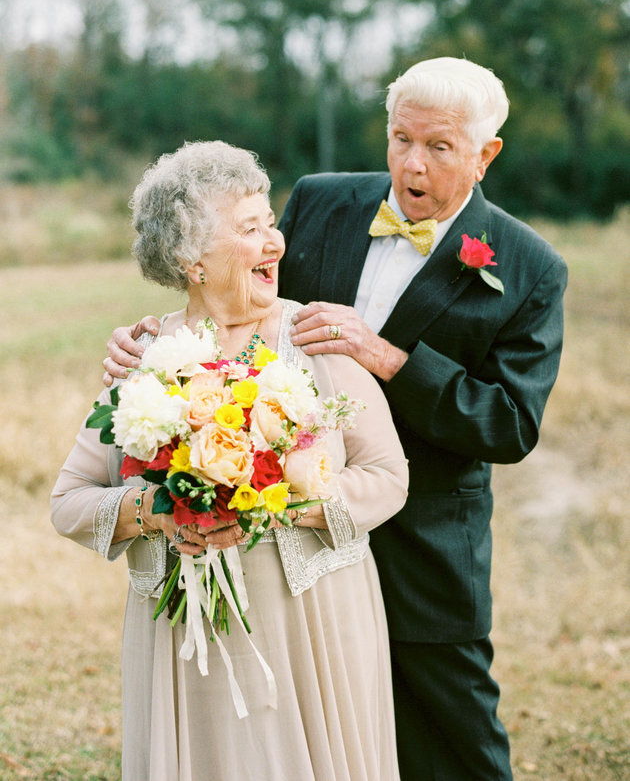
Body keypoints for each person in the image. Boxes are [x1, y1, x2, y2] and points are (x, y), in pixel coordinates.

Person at [103, 57, 569, 781]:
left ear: (487, 155)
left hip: (424, 552)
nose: (410, 164)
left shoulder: (531, 267)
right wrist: (157, 347)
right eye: (399, 138)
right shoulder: (320, 202)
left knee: (456, 748)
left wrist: (389, 359)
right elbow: (244, 308)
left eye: (438, 148)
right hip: (287, 549)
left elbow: (509, 425)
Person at [51, 140, 408, 781]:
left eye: (270, 222)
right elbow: (68, 500)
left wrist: (278, 500)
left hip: (313, 626)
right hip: (188, 640)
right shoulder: (144, 360)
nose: (274, 241)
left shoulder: (315, 339)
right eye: (250, 229)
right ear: (193, 261)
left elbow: (388, 477)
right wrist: (160, 511)